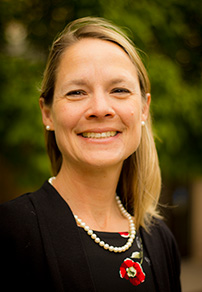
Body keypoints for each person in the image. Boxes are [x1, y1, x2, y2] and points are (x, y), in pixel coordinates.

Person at [0, 17, 181, 291]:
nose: (100, 108)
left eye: (119, 90)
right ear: (47, 113)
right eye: (76, 92)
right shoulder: (9, 233)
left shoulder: (160, 241)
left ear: (144, 109)